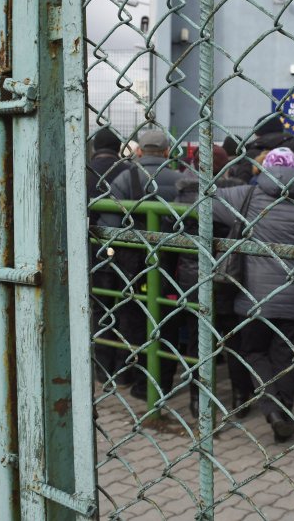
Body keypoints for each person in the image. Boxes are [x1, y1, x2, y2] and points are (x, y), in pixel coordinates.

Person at [212, 147, 294, 443]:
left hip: (254, 300)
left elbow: (206, 202)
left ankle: (272, 410)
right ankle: (283, 415)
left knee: (253, 353)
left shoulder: (246, 197)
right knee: (286, 359)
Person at [169, 145, 251, 418]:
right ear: (224, 164)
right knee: (234, 337)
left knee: (197, 337)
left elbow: (172, 229)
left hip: (193, 275)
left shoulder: (183, 192)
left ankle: (197, 399)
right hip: (228, 273)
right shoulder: (238, 193)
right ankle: (241, 396)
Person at [100, 128, 182, 401]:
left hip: (134, 264)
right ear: (168, 152)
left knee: (133, 320)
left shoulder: (126, 177)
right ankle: (163, 382)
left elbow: (110, 224)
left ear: (139, 151)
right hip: (171, 264)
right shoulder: (181, 178)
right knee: (167, 319)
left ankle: (139, 383)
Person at [87, 127, 131, 382]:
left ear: (95, 148)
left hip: (91, 249)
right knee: (126, 306)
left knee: (100, 308)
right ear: (118, 148)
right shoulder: (128, 171)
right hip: (127, 250)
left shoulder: (84, 171)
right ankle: (125, 369)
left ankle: (102, 369)